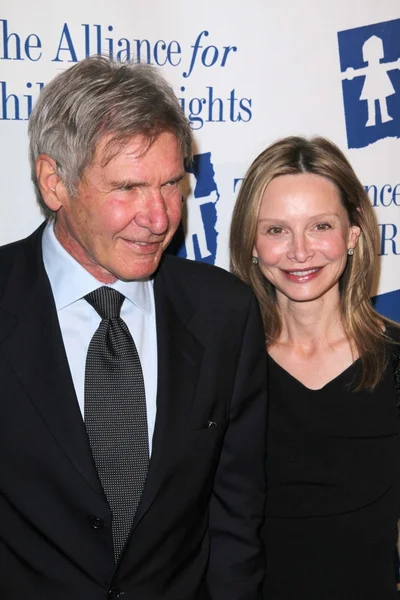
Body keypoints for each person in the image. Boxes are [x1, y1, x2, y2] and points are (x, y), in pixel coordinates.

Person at [0, 55, 267, 600]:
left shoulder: (224, 314)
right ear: (55, 182)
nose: (159, 216)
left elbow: (235, 522)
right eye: (127, 187)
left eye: (171, 183)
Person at [230, 135, 400, 599]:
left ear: (353, 234)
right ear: (250, 243)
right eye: (276, 230)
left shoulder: (397, 358)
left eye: (320, 225)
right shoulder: (222, 367)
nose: (300, 251)